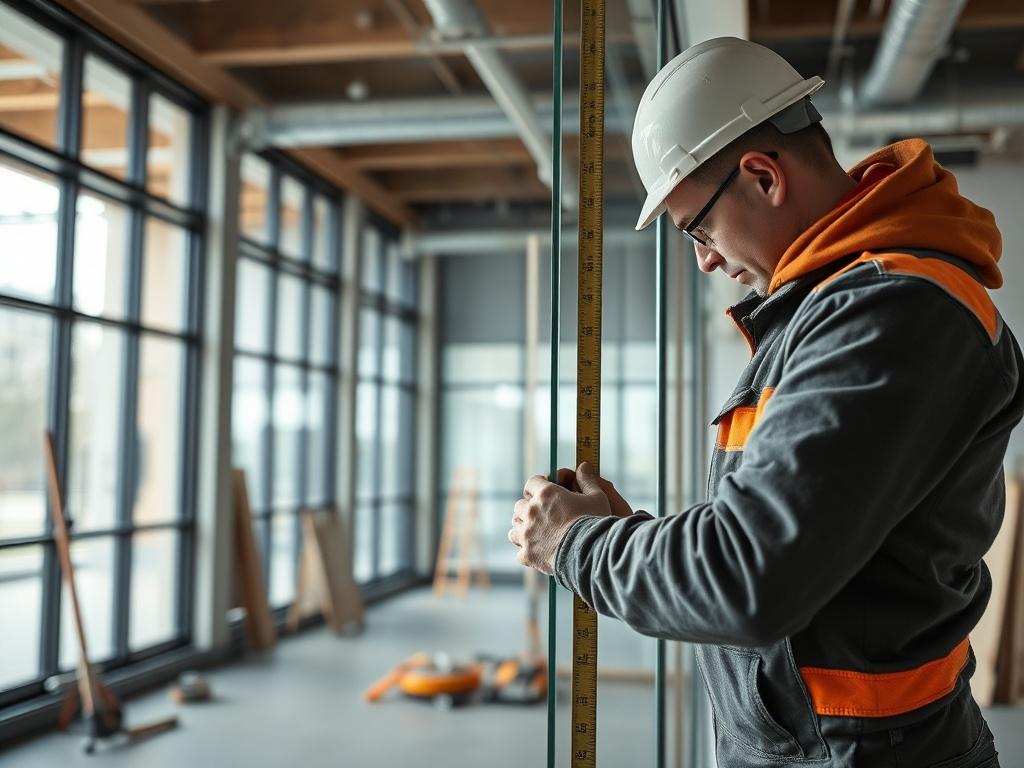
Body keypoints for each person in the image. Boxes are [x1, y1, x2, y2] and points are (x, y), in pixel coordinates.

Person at [507, 36, 1023, 767]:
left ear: (762, 176)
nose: (706, 259)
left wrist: (577, 544)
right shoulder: (831, 308)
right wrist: (629, 535)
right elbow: (776, 539)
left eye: (698, 227)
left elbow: (751, 577)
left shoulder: (891, 313)